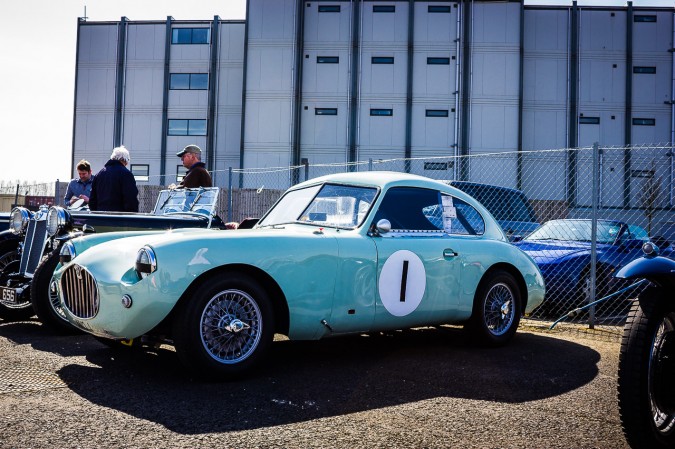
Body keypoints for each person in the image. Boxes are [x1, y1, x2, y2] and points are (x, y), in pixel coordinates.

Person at [89, 146, 139, 212]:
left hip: (100, 217)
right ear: (125, 160)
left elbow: (92, 200)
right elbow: (131, 199)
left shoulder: (98, 175)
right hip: (119, 218)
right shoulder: (126, 174)